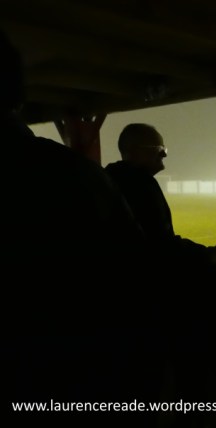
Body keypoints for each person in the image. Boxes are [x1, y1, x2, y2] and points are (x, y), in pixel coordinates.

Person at [1, 29, 164, 427]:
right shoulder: (72, 174)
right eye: (159, 152)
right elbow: (135, 278)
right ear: (17, 97)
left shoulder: (83, 175)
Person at [105, 123, 216, 275]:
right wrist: (207, 254)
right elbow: (162, 244)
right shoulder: (140, 184)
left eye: (164, 149)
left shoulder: (108, 179)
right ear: (135, 151)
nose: (164, 155)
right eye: (158, 149)